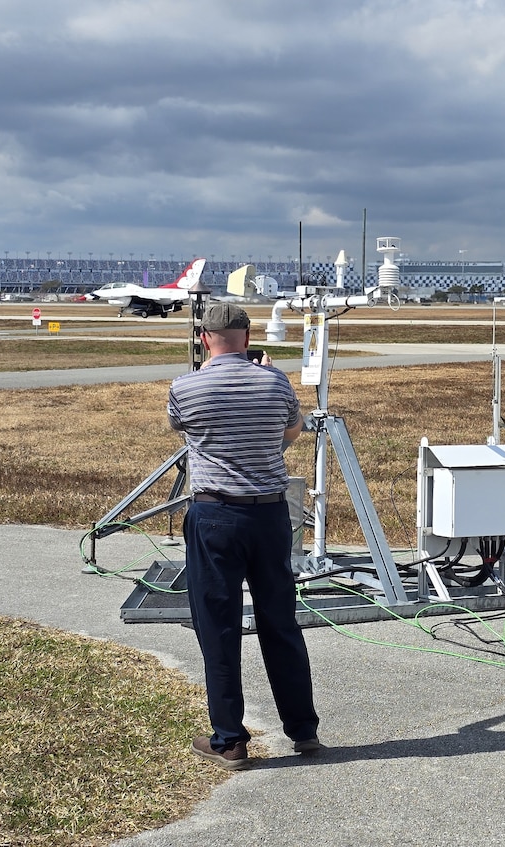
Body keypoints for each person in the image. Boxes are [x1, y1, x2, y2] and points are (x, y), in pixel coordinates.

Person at [167, 301, 320, 769]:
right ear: (248, 339)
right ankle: (303, 729)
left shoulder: (185, 388)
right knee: (280, 623)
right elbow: (291, 431)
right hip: (270, 515)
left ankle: (230, 739)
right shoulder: (274, 381)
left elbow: (184, 430)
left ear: (203, 338)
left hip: (215, 515)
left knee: (218, 625)